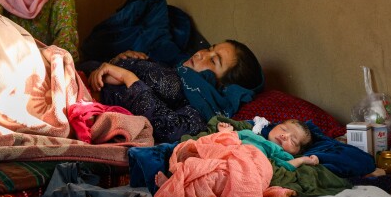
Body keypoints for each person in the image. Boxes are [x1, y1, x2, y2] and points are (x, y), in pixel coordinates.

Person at [88, 40, 264, 143]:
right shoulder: (176, 71)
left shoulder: (201, 112)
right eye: (210, 49)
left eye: (214, 61)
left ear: (222, 86)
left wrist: (128, 78)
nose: (202, 54)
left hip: (88, 106)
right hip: (84, 80)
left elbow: (171, 129)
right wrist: (121, 61)